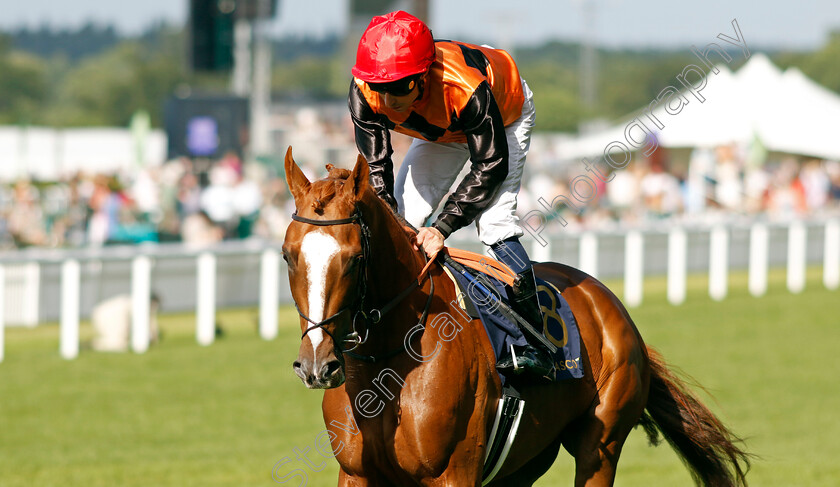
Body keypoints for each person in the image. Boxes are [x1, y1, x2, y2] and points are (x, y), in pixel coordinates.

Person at [348, 10, 551, 376]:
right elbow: (377, 170)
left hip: (502, 117)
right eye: (382, 88)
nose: (390, 100)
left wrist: (441, 228)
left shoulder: (464, 87)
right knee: (398, 222)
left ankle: (535, 343)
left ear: (423, 75)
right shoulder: (365, 89)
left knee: (494, 224)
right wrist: (396, 220)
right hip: (442, 131)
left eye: (400, 87)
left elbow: (490, 166)